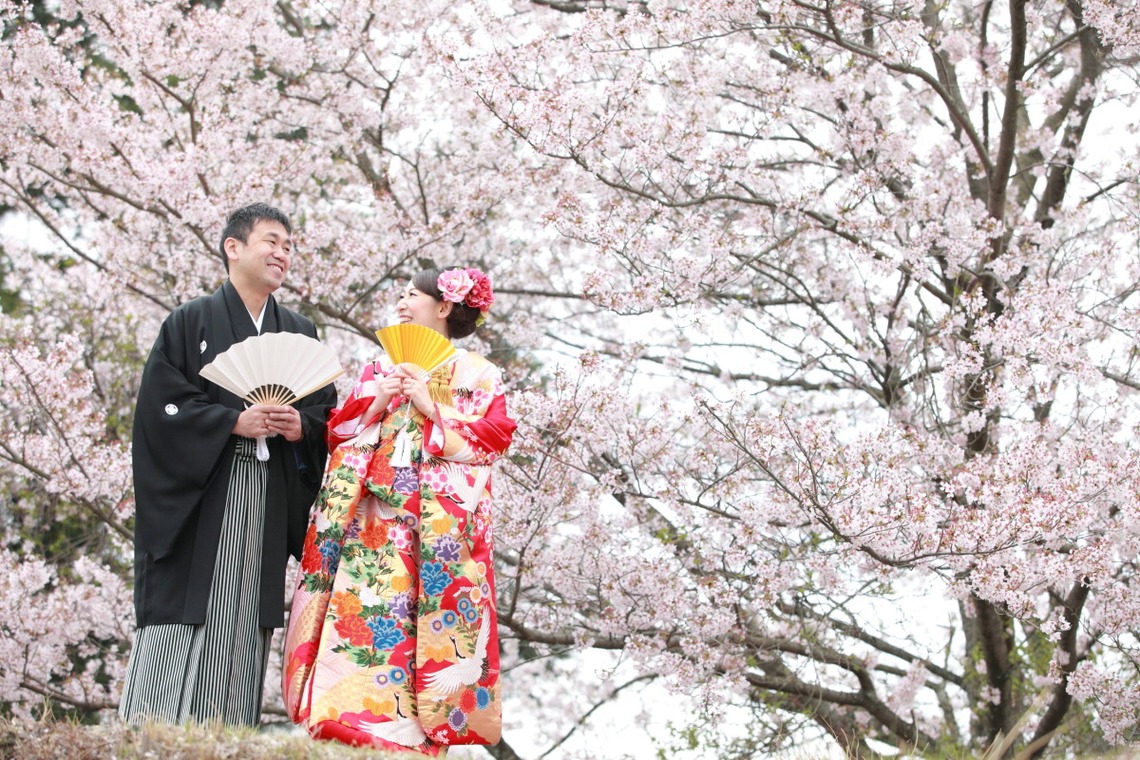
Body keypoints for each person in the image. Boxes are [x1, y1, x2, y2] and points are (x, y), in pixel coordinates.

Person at [282, 266, 516, 755]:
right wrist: (377, 401)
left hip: (434, 540)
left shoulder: (479, 374)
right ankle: (343, 732)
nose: (402, 304)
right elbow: (339, 434)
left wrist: (432, 407)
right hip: (372, 528)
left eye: (412, 296)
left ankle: (412, 741)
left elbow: (492, 441)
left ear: (445, 306)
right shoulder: (378, 365)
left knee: (423, 638)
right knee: (362, 625)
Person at [119, 203, 337, 726]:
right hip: (200, 493)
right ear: (233, 247)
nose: (282, 252)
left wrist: (301, 427)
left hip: (268, 492)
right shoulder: (188, 322)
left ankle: (223, 734)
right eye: (271, 240)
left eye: (288, 245)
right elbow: (159, 411)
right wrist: (229, 422)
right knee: (181, 614)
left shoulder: (301, 331)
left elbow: (327, 415)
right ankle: (152, 731)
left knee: (243, 616)